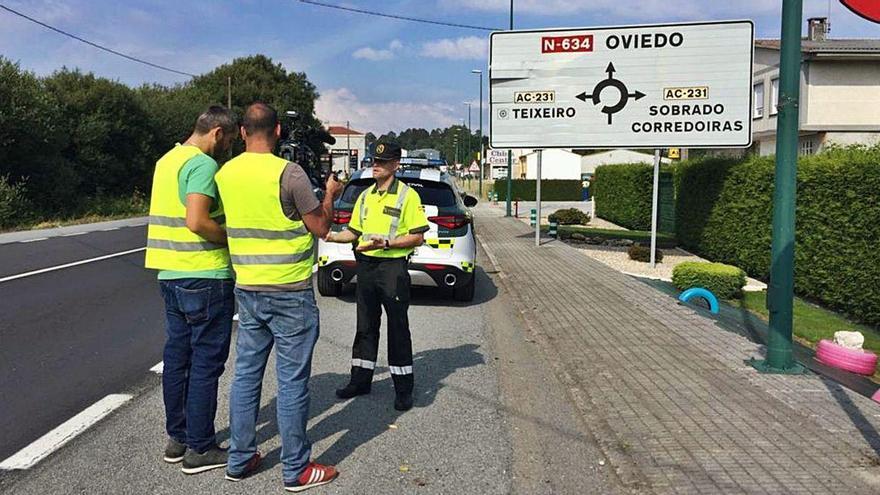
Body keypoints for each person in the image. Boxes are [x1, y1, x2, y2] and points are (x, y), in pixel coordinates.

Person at [215, 102, 342, 491]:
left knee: (246, 376)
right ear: (278, 132)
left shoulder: (225, 173)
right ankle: (296, 470)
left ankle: (239, 458)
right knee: (291, 383)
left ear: (241, 132)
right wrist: (332, 194)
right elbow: (320, 227)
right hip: (289, 292)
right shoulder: (290, 173)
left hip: (248, 289)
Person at [144, 105, 237, 474]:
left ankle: (178, 438)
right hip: (204, 275)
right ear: (216, 133)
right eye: (227, 141)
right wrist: (231, 239)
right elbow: (197, 220)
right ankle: (200, 448)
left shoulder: (167, 160)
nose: (226, 148)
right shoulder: (202, 164)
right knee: (204, 365)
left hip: (169, 274)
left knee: (178, 361)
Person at [324, 141, 429, 411]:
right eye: (374, 161)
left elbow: (417, 236)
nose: (376, 166)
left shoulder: (407, 196)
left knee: (397, 328)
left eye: (382, 162)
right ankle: (360, 380)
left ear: (395, 165)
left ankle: (403, 389)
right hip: (367, 267)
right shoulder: (366, 196)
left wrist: (387, 243)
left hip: (392, 268)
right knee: (365, 325)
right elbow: (354, 233)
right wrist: (331, 235)